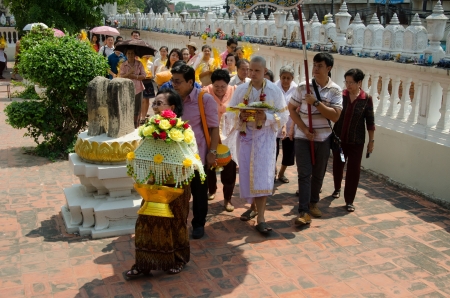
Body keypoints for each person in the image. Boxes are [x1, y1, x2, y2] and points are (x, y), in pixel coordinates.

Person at [126, 88, 191, 278]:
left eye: (158, 103)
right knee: (146, 222)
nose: (154, 107)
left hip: (177, 183)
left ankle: (178, 260)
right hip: (155, 184)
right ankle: (144, 263)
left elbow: (189, 156)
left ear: (172, 107)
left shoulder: (184, 131)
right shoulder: (149, 130)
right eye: (153, 103)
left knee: (175, 222)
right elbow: (142, 154)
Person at [222, 56, 288, 234]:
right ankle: (253, 207)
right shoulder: (241, 89)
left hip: (264, 139)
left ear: (265, 71)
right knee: (247, 175)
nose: (252, 73)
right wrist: (239, 117)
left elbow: (283, 116)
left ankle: (261, 218)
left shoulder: (274, 91)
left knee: (262, 176)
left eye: (257, 70)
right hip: (246, 139)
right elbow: (229, 112)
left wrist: (265, 118)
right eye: (250, 70)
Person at [288, 52, 343, 225]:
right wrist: (303, 129)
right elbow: (291, 109)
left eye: (320, 66)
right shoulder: (304, 86)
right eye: (314, 65)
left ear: (329, 68)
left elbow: (335, 116)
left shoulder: (335, 90)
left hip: (324, 138)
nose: (316, 69)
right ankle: (303, 211)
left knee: (318, 173)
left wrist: (316, 103)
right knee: (304, 173)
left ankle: (313, 202)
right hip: (303, 137)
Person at [171, 64, 219, 239]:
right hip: (176, 154)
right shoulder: (172, 99)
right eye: (172, 80)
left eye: (178, 81)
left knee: (199, 192)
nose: (174, 85)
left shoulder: (204, 99)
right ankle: (178, 221)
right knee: (177, 191)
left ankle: (198, 224)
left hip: (198, 155)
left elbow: (214, 128)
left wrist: (212, 152)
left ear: (190, 82)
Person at [332, 68, 375, 212]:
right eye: (346, 82)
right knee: (338, 164)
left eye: (351, 82)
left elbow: (370, 121)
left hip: (356, 142)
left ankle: (349, 200)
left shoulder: (366, 99)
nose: (348, 85)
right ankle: (337, 188)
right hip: (340, 140)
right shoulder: (341, 95)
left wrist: (371, 141)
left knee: (353, 170)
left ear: (359, 82)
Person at [202, 69, 237, 212]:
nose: (220, 90)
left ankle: (227, 198)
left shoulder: (235, 91)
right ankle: (212, 189)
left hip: (229, 136)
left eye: (223, 87)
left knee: (230, 168)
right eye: (217, 86)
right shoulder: (204, 93)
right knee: (209, 164)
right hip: (210, 135)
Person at [274, 65, 298, 183]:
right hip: (274, 124)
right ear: (280, 77)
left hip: (290, 125)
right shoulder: (273, 87)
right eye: (283, 77)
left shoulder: (296, 89)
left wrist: (292, 126)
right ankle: (273, 171)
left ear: (292, 78)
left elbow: (297, 108)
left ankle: (281, 173)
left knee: (289, 153)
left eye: (288, 78)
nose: (285, 81)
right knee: (273, 151)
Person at [119, 47, 146, 128]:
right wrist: (129, 73)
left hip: (138, 88)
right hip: (126, 89)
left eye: (132, 53)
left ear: (135, 54)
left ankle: (135, 126)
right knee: (126, 106)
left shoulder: (139, 64)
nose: (130, 55)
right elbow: (121, 76)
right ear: (126, 54)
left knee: (137, 108)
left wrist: (134, 76)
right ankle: (126, 125)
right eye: (129, 53)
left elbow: (144, 76)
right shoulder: (124, 65)